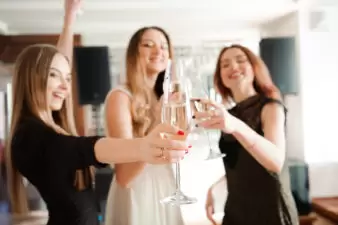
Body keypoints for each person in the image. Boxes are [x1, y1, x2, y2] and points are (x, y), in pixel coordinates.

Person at [4, 2, 189, 225]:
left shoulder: (49, 123)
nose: (65, 85)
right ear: (32, 78)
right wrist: (145, 145)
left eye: (68, 78)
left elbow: (61, 62)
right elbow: (84, 149)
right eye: (54, 76)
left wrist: (69, 19)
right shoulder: (30, 136)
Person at [194, 44, 299, 225]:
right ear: (220, 78)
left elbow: (275, 162)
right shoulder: (230, 115)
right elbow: (243, 163)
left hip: (269, 210)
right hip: (237, 208)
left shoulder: (271, 107)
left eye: (240, 60)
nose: (233, 67)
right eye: (225, 65)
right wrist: (216, 187)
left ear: (254, 68)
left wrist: (236, 126)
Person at [103, 27, 185, 225]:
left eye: (164, 46)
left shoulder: (163, 98)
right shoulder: (120, 97)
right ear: (134, 54)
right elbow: (124, 175)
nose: (158, 51)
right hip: (137, 191)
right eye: (149, 45)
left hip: (165, 184)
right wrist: (158, 120)